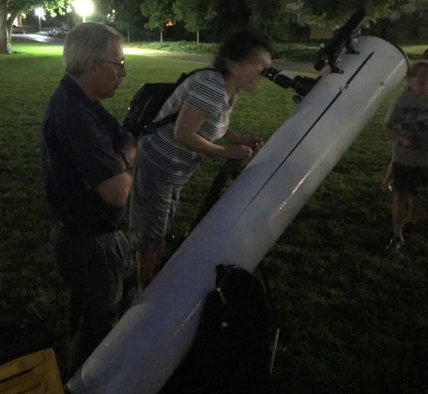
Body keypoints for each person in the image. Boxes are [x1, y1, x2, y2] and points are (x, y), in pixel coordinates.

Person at [130, 29, 272, 289]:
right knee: (152, 229)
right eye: (257, 64)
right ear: (232, 62)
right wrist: (225, 152)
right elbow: (183, 133)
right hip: (159, 162)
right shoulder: (212, 86)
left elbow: (210, 120)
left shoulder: (229, 87)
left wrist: (235, 139)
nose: (262, 72)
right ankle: (143, 290)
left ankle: (151, 279)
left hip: (175, 168)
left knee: (162, 223)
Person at [40, 22, 138, 379]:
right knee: (96, 336)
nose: (124, 73)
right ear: (93, 65)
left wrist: (120, 160)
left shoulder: (85, 103)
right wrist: (122, 165)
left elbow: (127, 138)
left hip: (98, 238)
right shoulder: (76, 116)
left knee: (107, 323)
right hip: (90, 244)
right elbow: (117, 192)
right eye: (118, 63)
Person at [384, 61, 428, 252]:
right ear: (410, 79)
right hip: (403, 158)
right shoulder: (402, 101)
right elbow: (388, 125)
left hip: (424, 160)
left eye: (427, 75)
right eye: (418, 75)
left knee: (418, 196)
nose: (422, 79)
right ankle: (397, 235)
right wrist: (402, 139)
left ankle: (411, 220)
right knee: (399, 195)